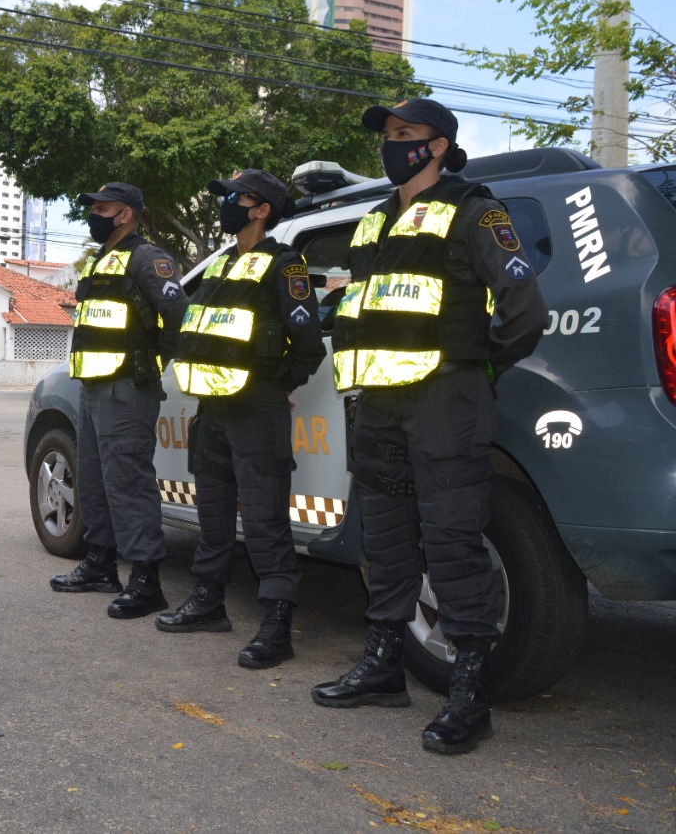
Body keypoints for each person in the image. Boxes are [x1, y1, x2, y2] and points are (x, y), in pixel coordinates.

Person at [310, 99, 548, 755]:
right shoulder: (374, 223)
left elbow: (525, 309)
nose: (392, 145)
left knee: (451, 545)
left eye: (405, 135)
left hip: (446, 402)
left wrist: (475, 365)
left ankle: (471, 694)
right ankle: (384, 666)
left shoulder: (475, 211)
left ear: (439, 145)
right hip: (379, 403)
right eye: (388, 136)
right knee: (384, 541)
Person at [154, 169, 325, 670]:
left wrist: (275, 386)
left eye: (235, 197)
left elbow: (308, 346)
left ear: (262, 209)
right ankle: (209, 602)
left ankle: (277, 624)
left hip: (256, 411)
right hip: (212, 411)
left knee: (265, 520)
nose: (226, 203)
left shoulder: (285, 265)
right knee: (212, 516)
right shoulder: (220, 266)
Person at [49, 182, 190, 619]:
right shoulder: (101, 260)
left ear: (126, 214)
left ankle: (146, 581)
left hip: (128, 388)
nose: (95, 215)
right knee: (94, 479)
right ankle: (100, 564)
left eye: (103, 208)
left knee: (128, 483)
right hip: (93, 388)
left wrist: (152, 361)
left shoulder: (147, 257)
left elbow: (179, 316)